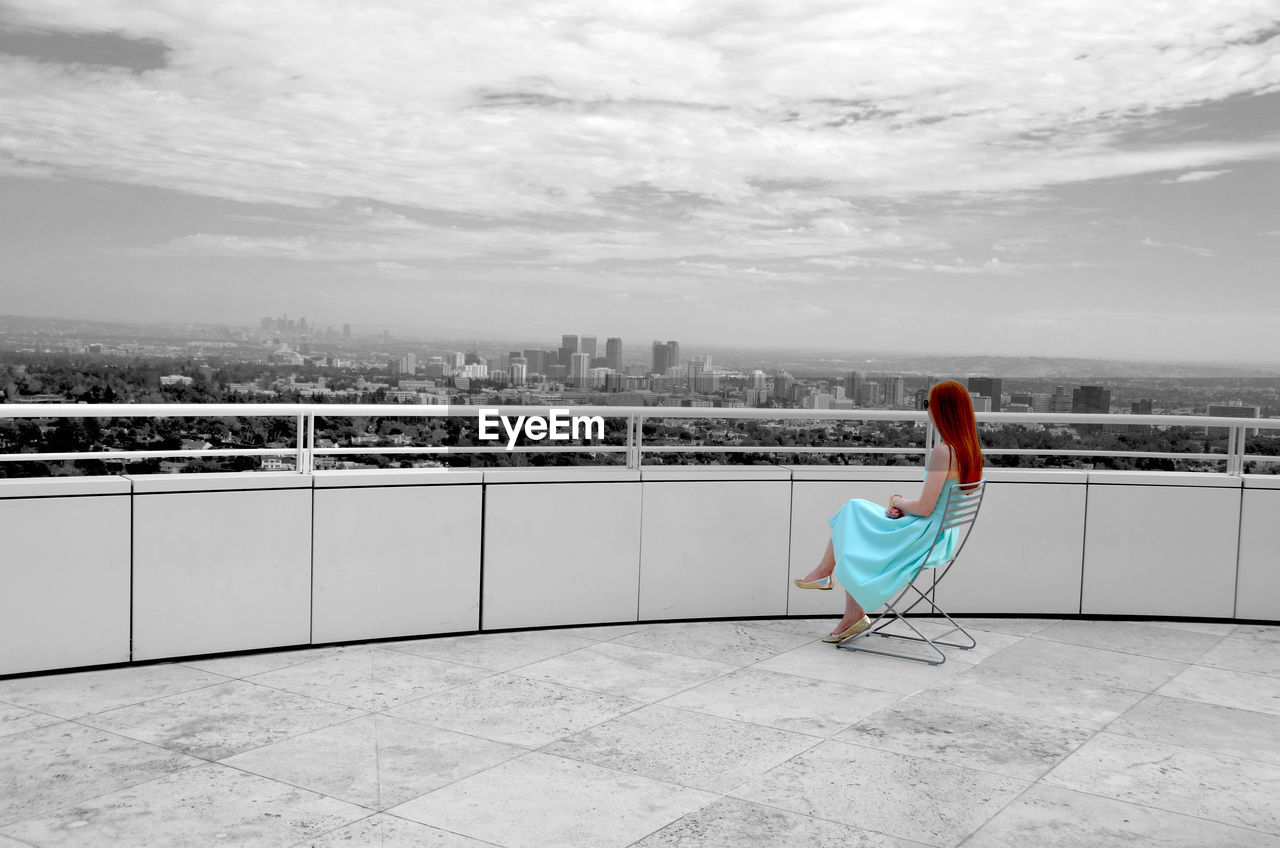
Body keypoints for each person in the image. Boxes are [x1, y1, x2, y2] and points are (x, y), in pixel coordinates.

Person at [793, 380, 984, 644]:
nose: (926, 410)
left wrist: (898, 501)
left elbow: (925, 507)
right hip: (942, 534)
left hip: (925, 536)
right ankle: (830, 581)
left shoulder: (943, 452)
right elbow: (936, 505)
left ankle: (842, 597)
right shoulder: (970, 451)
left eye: (928, 404)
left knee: (855, 518)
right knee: (856, 510)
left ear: (943, 410)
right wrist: (907, 510)